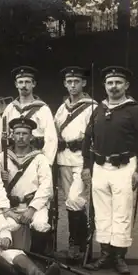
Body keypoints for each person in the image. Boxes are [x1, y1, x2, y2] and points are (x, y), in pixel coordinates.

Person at [82, 66, 138, 275]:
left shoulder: (135, 111)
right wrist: (87, 166)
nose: (114, 87)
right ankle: (105, 255)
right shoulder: (99, 109)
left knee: (121, 211)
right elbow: (88, 139)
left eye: (118, 82)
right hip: (100, 167)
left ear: (126, 86)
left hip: (124, 167)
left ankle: (119, 257)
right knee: (102, 212)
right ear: (105, 85)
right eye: (110, 83)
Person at [54, 66, 98, 262]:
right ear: (64, 84)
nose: (72, 85)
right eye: (69, 82)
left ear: (83, 83)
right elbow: (54, 134)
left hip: (82, 158)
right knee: (71, 203)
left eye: (76, 81)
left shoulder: (92, 107)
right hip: (64, 159)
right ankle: (80, 244)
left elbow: (96, 137)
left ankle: (77, 242)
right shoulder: (62, 108)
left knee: (75, 199)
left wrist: (90, 164)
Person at [0, 117, 53, 253]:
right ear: (12, 136)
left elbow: (46, 186)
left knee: (40, 225)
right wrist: (1, 177)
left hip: (34, 205)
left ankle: (37, 257)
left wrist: (32, 209)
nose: (21, 137)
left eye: (24, 133)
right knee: (7, 227)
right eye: (17, 133)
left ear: (31, 137)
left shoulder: (40, 158)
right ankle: (10, 259)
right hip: (11, 206)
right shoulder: (2, 157)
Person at [2, 66, 58, 166]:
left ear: (34, 84)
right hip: (14, 157)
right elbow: (3, 136)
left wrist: (47, 163)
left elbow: (51, 138)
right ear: (16, 84)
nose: (24, 85)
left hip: (36, 156)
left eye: (27, 82)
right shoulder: (10, 108)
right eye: (20, 82)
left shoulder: (43, 109)